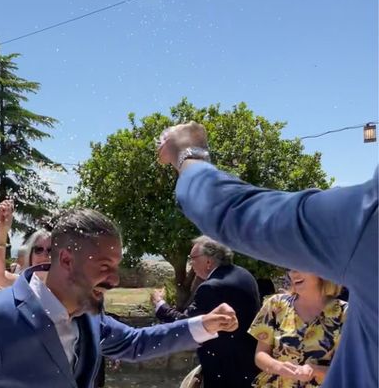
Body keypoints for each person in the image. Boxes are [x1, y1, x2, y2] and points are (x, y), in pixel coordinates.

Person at [156, 121, 378, 388]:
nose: (292, 269)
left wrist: (188, 154)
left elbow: (233, 211)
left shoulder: (366, 227)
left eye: (300, 262)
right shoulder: (274, 304)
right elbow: (260, 354)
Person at [0, 208, 240, 388]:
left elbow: (137, 343)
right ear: (65, 260)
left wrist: (204, 325)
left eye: (116, 267)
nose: (115, 279)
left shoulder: (89, 315)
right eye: (104, 266)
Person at [152, 236, 260, 387]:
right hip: (249, 364)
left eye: (193, 258)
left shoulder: (211, 287)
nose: (191, 264)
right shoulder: (244, 275)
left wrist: (160, 305)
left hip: (225, 370)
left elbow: (186, 324)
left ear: (208, 262)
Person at [248, 270, 347, 387]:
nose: (293, 272)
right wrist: (277, 366)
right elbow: (260, 355)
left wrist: (315, 370)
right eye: (290, 267)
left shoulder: (345, 313)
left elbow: (349, 369)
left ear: (321, 268)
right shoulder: (276, 304)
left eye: (301, 266)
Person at [0, 200, 52, 288]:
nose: (45, 255)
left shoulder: (70, 287)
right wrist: (2, 229)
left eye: (50, 250)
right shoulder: (25, 283)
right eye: (38, 250)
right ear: (30, 255)